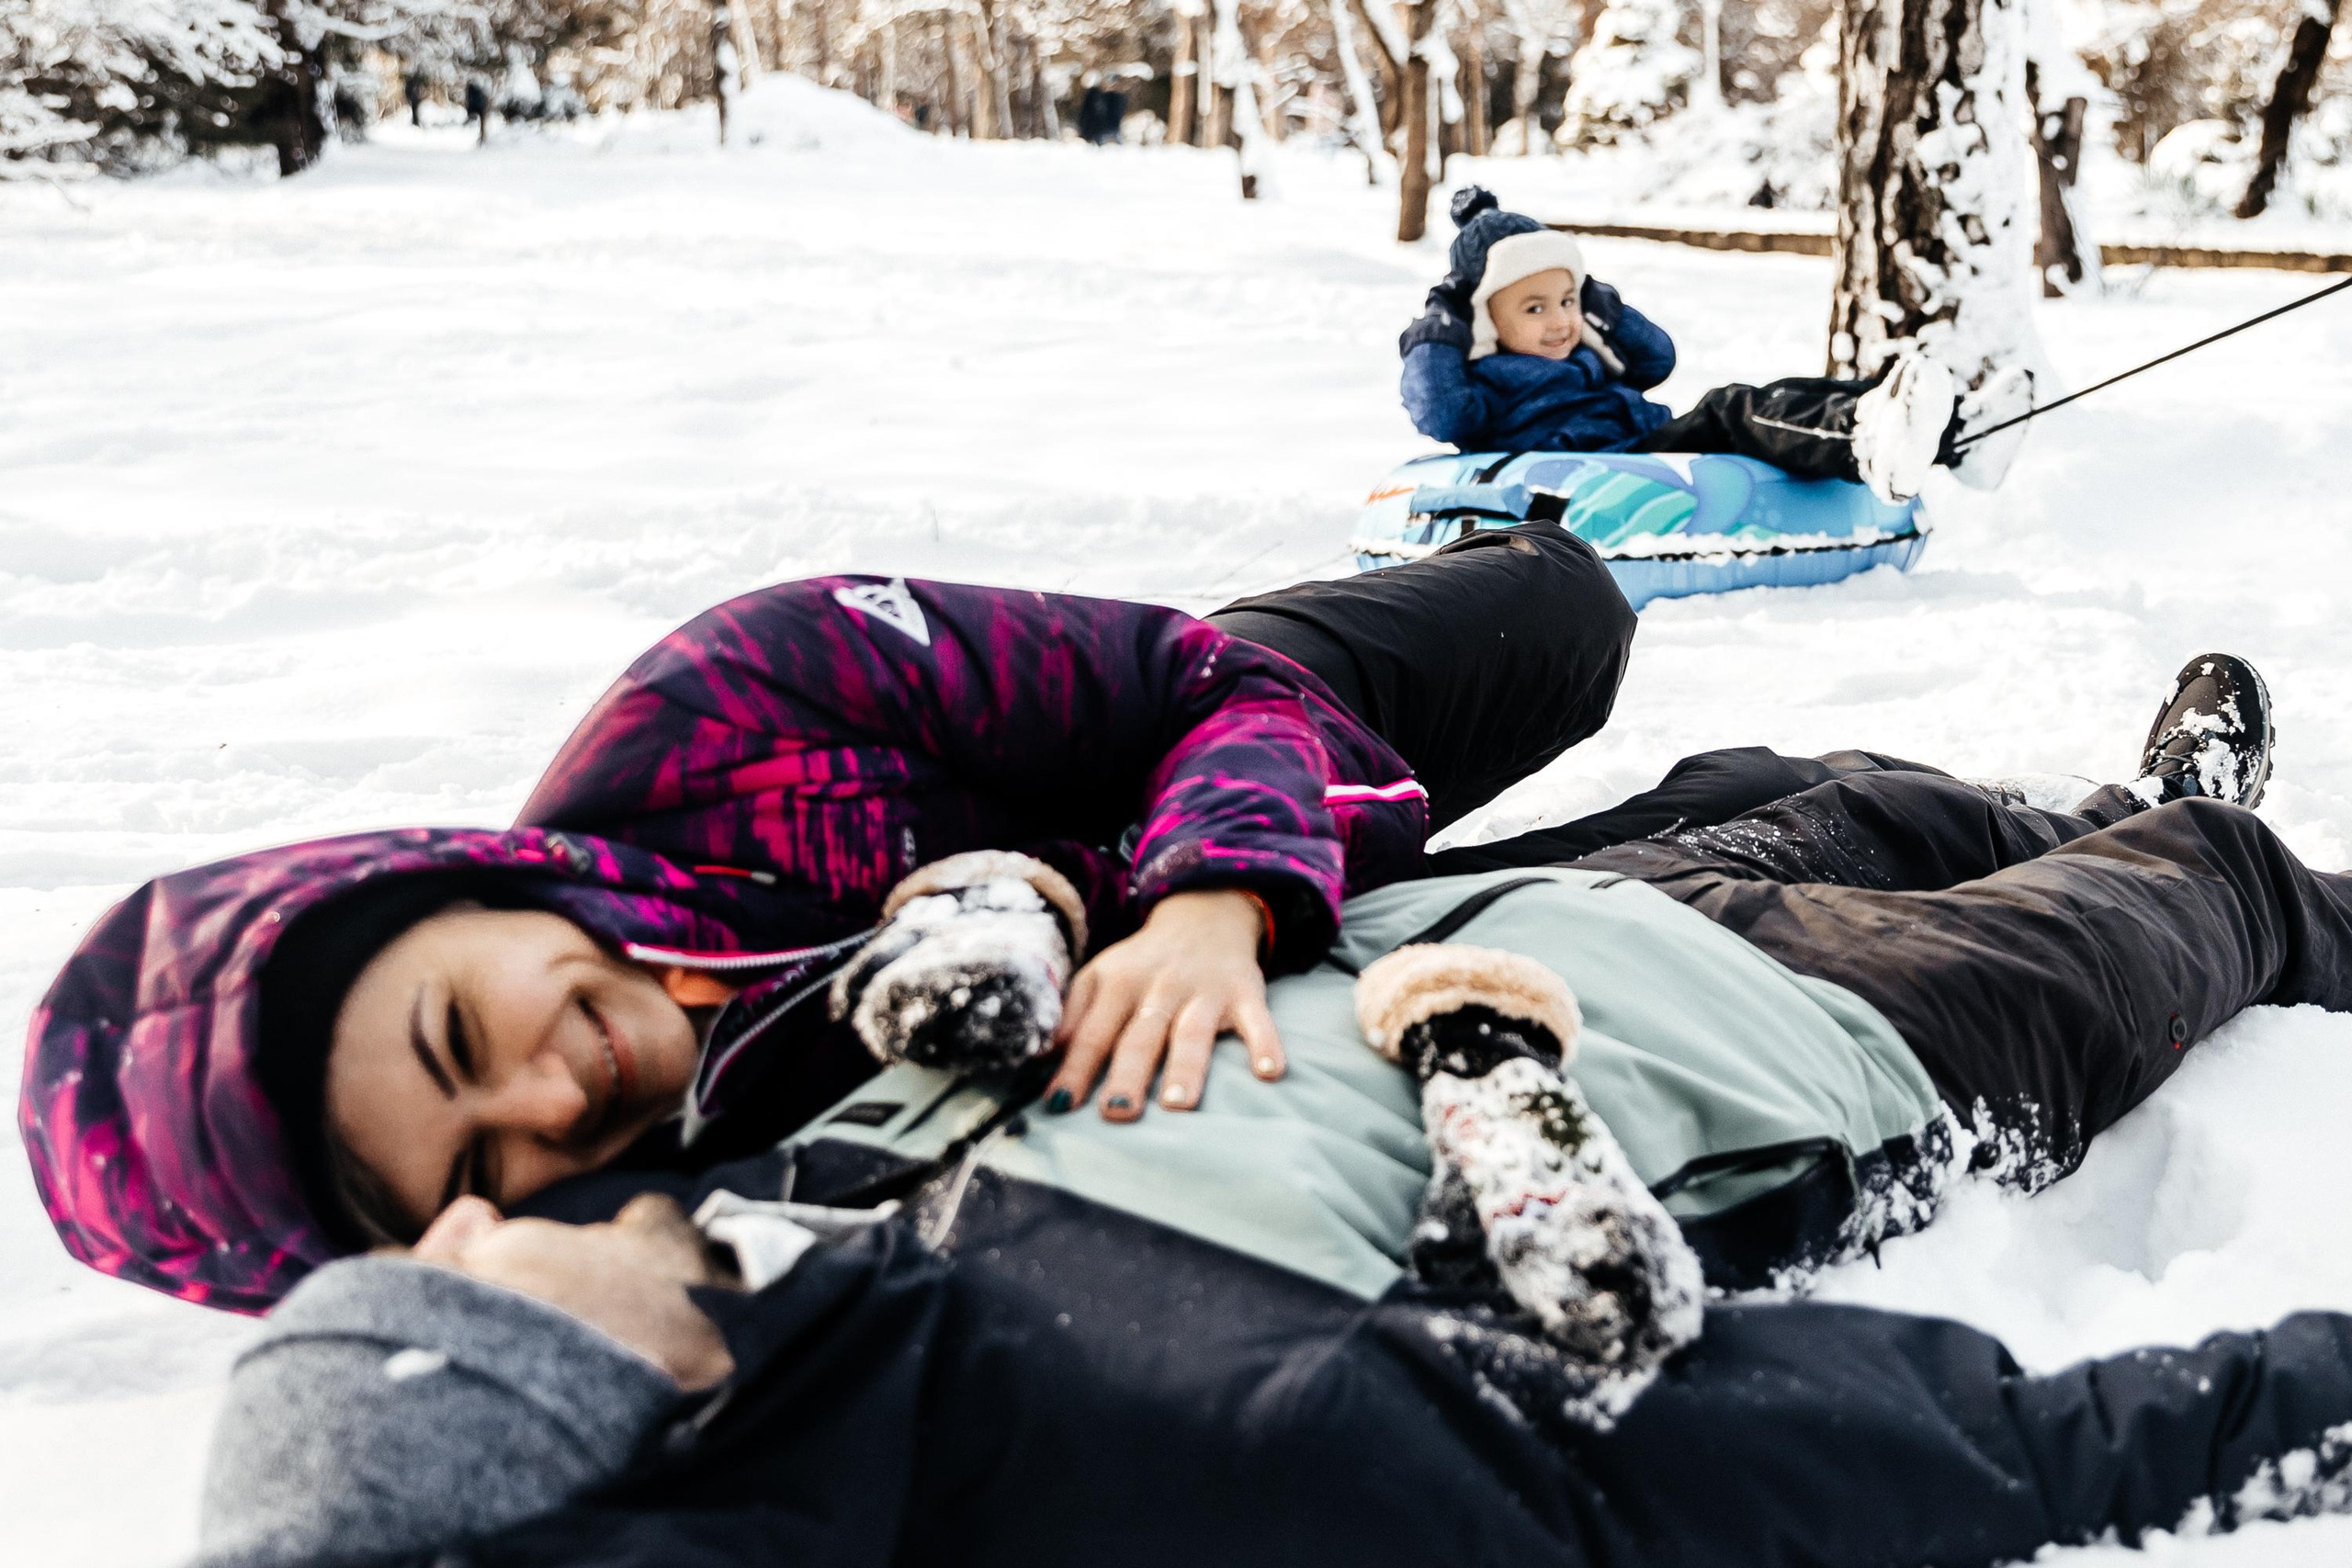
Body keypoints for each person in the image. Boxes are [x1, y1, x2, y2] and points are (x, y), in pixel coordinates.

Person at [21, 531, 1638, 1313]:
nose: (549, 1098)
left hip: (1237, 734)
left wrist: (1214, 896)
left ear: (441, 889)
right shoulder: (640, 1226)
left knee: (1568, 616)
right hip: (1348, 965)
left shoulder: (727, 702)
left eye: (460, 1030)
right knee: (1722, 830)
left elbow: (1203, 688)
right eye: (475, 1163)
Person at [1397, 187, 2039, 502]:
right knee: (1731, 409)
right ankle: (1866, 437)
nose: (1559, 321)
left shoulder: (1585, 351)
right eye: (1534, 308)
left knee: (1785, 394)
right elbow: (1440, 412)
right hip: (1608, 465)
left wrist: (1597, 304)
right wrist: (1442, 320)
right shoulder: (1484, 384)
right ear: (1484, 319)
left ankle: (1954, 432)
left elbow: (1656, 359)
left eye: (1567, 300)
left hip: (1642, 445)